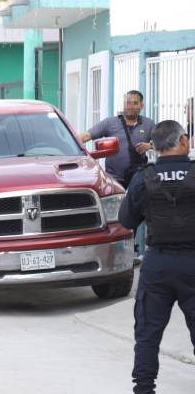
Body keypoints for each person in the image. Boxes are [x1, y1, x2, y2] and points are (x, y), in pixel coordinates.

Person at [119, 120, 195, 394]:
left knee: (148, 336)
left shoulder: (144, 178)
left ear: (155, 146)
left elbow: (126, 221)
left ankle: (144, 388)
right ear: (183, 141)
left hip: (158, 265)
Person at [80, 90, 155, 188]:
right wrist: (69, 145)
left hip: (140, 179)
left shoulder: (148, 124)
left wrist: (149, 145)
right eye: (128, 103)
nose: (130, 106)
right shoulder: (110, 123)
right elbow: (85, 136)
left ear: (142, 105)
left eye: (135, 103)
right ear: (123, 104)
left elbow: (164, 143)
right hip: (114, 180)